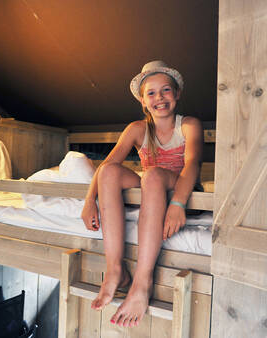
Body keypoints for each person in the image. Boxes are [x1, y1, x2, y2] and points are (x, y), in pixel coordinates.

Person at [81, 60, 203, 328]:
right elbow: (105, 166)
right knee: (110, 172)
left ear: (177, 93)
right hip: (152, 187)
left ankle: (141, 282)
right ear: (143, 101)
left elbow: (192, 163)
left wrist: (179, 204)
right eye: (151, 93)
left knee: (154, 174)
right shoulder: (136, 129)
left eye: (166, 90)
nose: (159, 98)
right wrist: (90, 200)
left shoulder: (189, 125)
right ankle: (115, 270)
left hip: (182, 190)